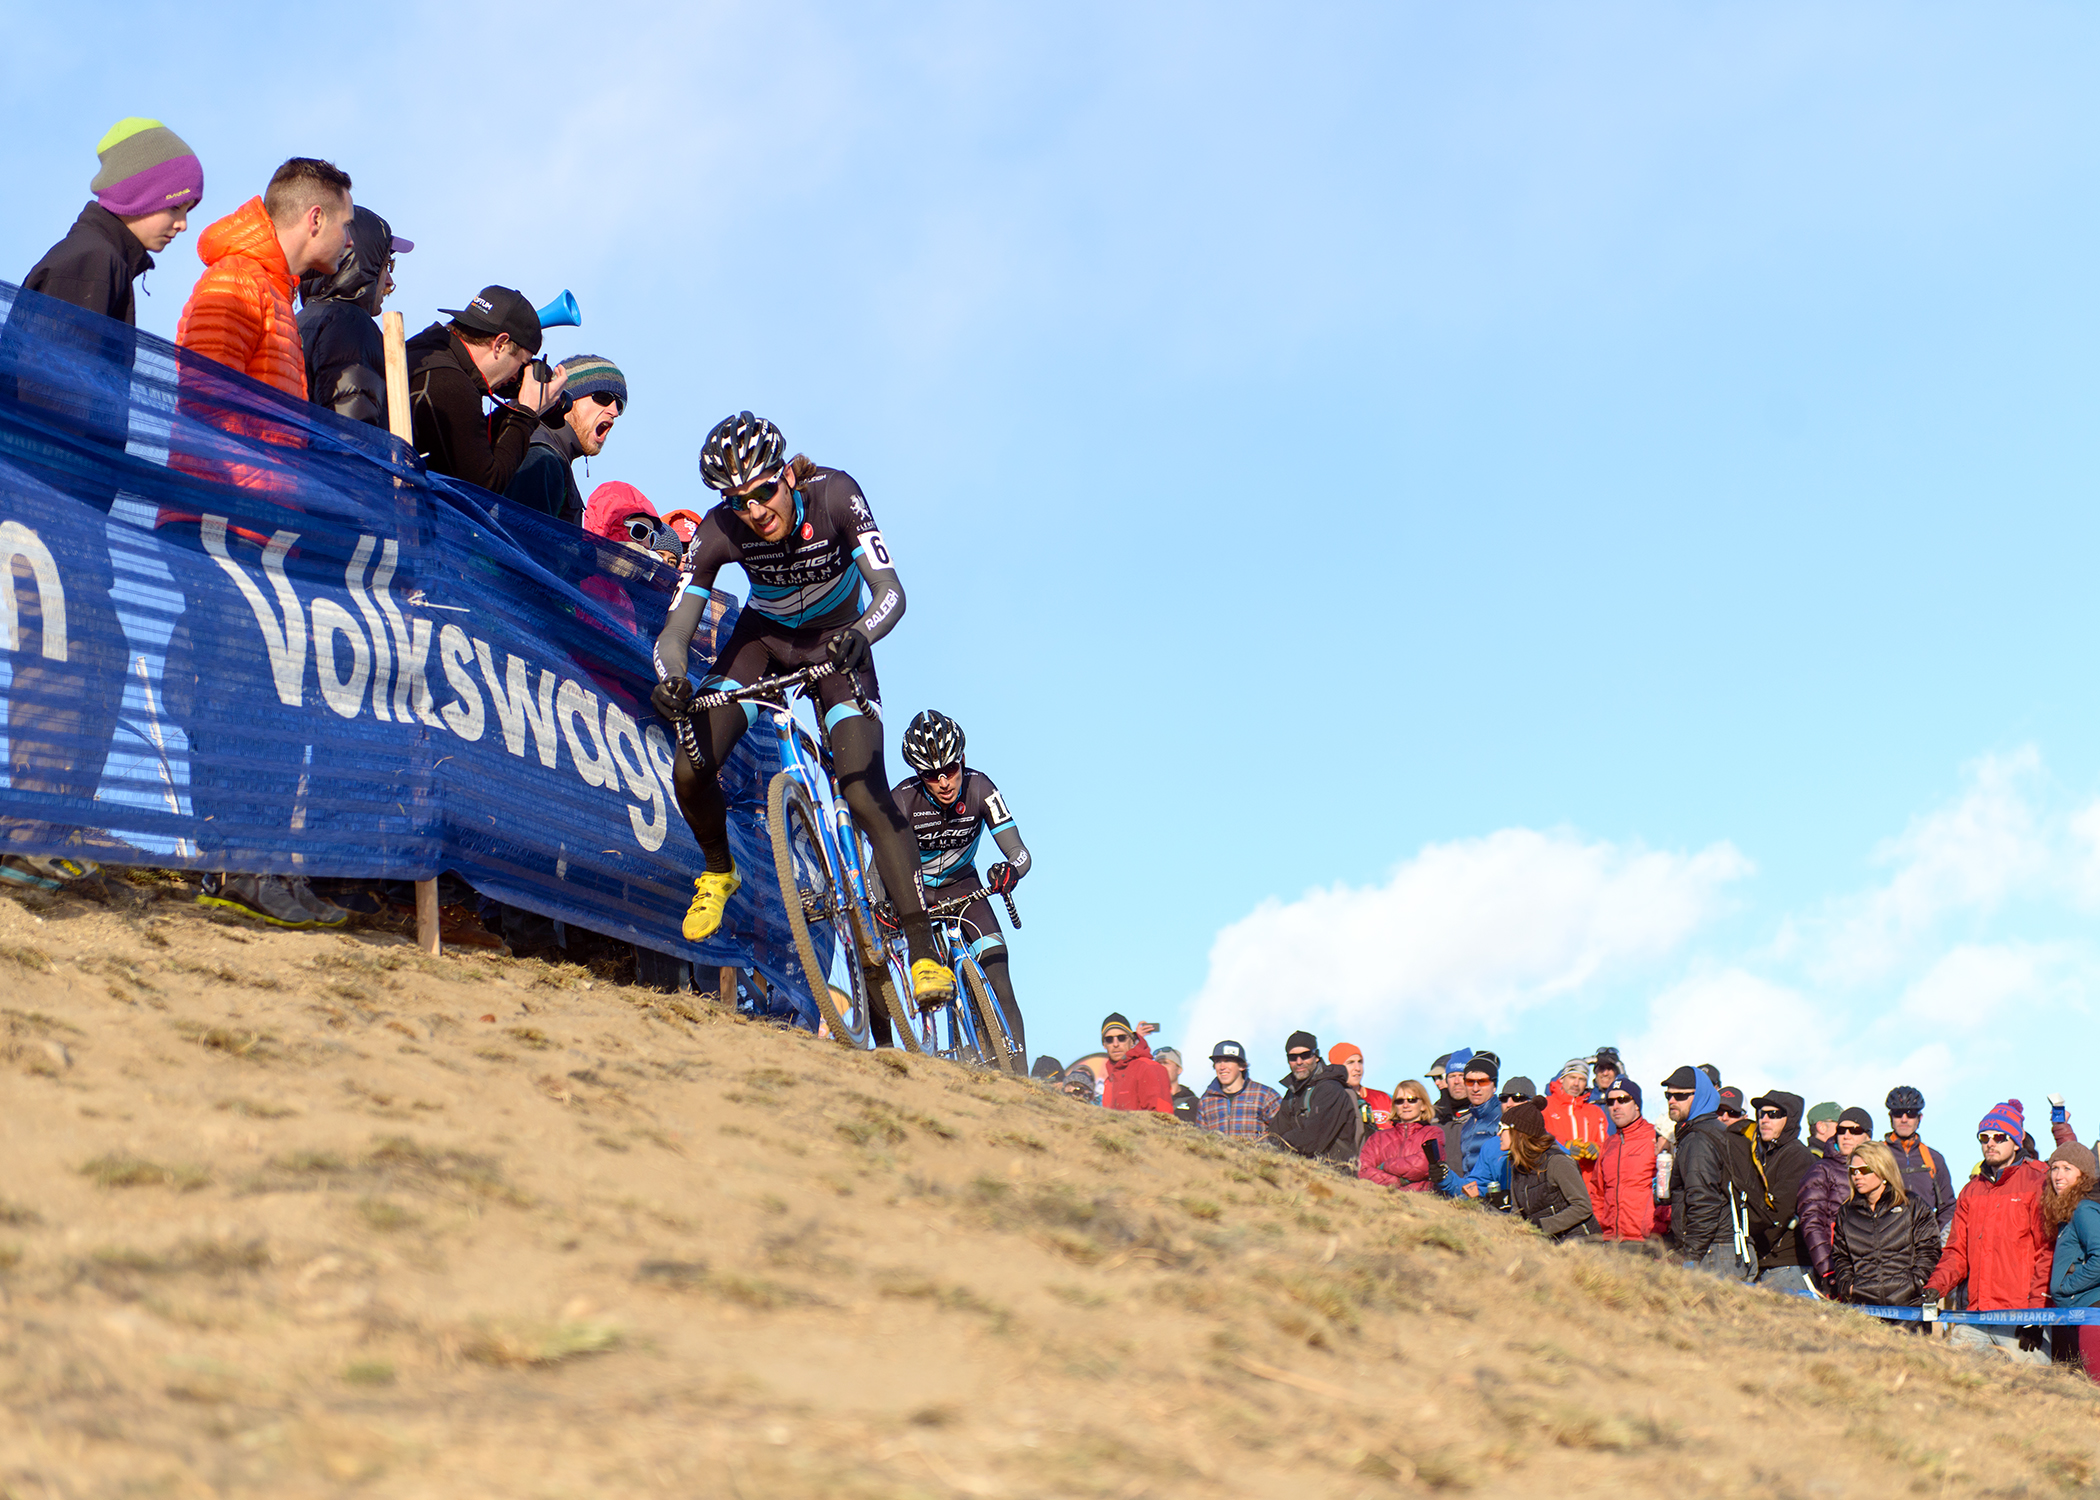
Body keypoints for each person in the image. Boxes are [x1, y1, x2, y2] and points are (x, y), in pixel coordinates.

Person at [651, 413, 952, 1007]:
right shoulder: (719, 531)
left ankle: (922, 948)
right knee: (691, 765)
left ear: (787, 475)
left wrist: (862, 633)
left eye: (764, 491)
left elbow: (892, 591)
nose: (756, 511)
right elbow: (674, 632)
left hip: (840, 642)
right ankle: (718, 869)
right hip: (764, 644)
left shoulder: (837, 494)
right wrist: (672, 677)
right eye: (737, 502)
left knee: (865, 793)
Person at [891, 710, 1030, 1054]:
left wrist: (1009, 870)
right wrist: (882, 901)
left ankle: (1023, 1084)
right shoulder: (903, 799)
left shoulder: (981, 787)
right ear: (918, 774)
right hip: (914, 893)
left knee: (998, 970)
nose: (944, 782)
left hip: (965, 887)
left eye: (951, 770)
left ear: (962, 760)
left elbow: (1020, 853)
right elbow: (879, 865)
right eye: (931, 775)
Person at [178, 157, 353, 398]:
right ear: (316, 219)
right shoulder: (238, 279)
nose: (350, 240)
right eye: (346, 225)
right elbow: (206, 398)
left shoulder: (274, 291)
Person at [25, 117, 202, 324]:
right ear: (136, 196)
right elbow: (60, 355)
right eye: (175, 207)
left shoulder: (103, 259)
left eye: (188, 210)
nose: (183, 225)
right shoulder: (92, 262)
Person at [404, 286, 569, 493]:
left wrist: (517, 409)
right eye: (522, 363)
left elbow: (464, 441)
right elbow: (485, 485)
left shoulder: (429, 349)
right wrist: (526, 413)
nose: (517, 376)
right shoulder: (451, 384)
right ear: (500, 344)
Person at [1925, 1100, 2052, 1365]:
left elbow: (2047, 1253)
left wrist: (2036, 1316)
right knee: (1955, 1380)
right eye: (1984, 1137)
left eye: (1999, 1137)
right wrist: (1935, 1288)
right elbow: (1956, 1251)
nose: (1990, 1143)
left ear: (2017, 1142)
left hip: (2020, 1316)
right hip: (1976, 1315)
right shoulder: (1971, 1190)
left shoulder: (2037, 1181)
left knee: (2032, 1394)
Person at [295, 205, 410, 425]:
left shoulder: (302, 320)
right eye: (386, 265)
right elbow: (354, 430)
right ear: (362, 264)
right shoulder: (350, 322)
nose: (389, 281)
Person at [506, 355, 627, 526]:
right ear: (567, 399)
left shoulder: (550, 457)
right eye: (603, 397)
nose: (614, 411)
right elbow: (519, 542)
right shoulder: (541, 457)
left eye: (620, 404)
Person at [1828, 1141, 1942, 1310]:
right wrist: (1849, 1287)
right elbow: (1840, 1256)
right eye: (1853, 1170)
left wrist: (1915, 1283)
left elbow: (1930, 1250)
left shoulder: (1912, 1205)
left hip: (1909, 1308)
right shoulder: (1847, 1212)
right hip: (1863, 1309)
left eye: (1864, 1170)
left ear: (1882, 1169)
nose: (1857, 1176)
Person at [1661, 1065, 1734, 1276]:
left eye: (1681, 1095)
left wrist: (1690, 1255)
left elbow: (1705, 1201)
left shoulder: (1698, 1139)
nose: (1672, 1101)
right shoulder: (1704, 1131)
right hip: (1715, 1246)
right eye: (1669, 1095)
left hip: (1713, 1251)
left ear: (1700, 1095)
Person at [1744, 1091, 1815, 1293]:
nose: (1764, 1119)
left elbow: (1778, 1213)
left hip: (1787, 1266)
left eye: (1773, 1114)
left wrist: (1749, 1243)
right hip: (1765, 1263)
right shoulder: (1760, 1154)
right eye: (1760, 1113)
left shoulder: (1797, 1155)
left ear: (1790, 1118)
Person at [1502, 1098, 1601, 1241]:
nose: (1498, 1134)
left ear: (1518, 1132)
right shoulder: (1517, 1166)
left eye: (1502, 1128)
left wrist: (1540, 1227)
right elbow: (1517, 1213)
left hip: (1582, 1245)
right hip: (1546, 1246)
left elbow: (1583, 1207)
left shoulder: (1557, 1162)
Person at [2045, 1142, 2100, 1383]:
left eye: (2068, 1168)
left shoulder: (2083, 1209)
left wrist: (2065, 1287)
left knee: (2095, 1385)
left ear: (2083, 1175)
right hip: (2082, 1313)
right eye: (2055, 1168)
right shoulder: (2069, 1211)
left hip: (2093, 1314)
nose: (2058, 1175)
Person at [1266, 1030, 1359, 1164]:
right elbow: (1275, 1134)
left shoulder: (1331, 1088)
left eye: (1305, 1055)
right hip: (1304, 1168)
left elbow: (1312, 1139)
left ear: (1316, 1056)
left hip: (1339, 1172)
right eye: (1292, 1057)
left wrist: (1282, 1143)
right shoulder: (1292, 1093)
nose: (1299, 1062)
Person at [1594, 1079, 1658, 1242]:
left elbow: (1670, 1189)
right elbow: (1597, 1192)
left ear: (1636, 1104)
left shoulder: (1655, 1138)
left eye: (1622, 1100)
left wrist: (1659, 1227)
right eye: (1610, 1101)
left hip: (1645, 1240)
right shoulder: (1608, 1144)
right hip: (1610, 1242)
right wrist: (1598, 1229)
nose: (1615, 1106)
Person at [1440, 1053, 1507, 1200]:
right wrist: (1445, 1176)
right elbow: (1471, 1177)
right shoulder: (1469, 1122)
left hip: (1501, 1204)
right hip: (1475, 1198)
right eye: (1470, 1082)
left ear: (1494, 1085)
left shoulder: (1503, 1117)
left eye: (1482, 1082)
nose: (1475, 1088)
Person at [1359, 1081, 1442, 1191]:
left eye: (1411, 1100)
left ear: (1423, 1105)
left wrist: (1385, 1166)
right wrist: (1396, 1182)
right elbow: (1363, 1171)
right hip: (1383, 1200)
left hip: (1421, 1202)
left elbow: (1423, 1164)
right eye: (1399, 1101)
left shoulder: (1433, 1133)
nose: (1405, 1105)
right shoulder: (1377, 1138)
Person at [1543, 1057, 1607, 1194]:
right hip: (1554, 1184)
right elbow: (1538, 1139)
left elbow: (1607, 1145)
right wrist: (1564, 1147)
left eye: (1582, 1079)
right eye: (1572, 1077)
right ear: (1562, 1078)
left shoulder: (1595, 1112)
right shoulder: (1545, 1106)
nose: (1576, 1083)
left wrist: (1597, 1149)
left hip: (1588, 1186)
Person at [1197, 1040, 1282, 1140]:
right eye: (1218, 1062)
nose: (1222, 1067)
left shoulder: (1265, 1095)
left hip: (1255, 1155)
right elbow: (1200, 1140)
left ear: (1242, 1066)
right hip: (1217, 1155)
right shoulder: (1206, 1101)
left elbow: (1282, 1134)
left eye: (1228, 1061)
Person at [1098, 1015, 1171, 1113]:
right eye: (1109, 1039)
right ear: (1104, 1044)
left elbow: (1163, 1117)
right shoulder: (1110, 1080)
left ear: (1132, 1041)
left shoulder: (1149, 1067)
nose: (1116, 1044)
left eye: (1121, 1038)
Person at [1329, 1043, 1393, 1134]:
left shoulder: (1383, 1098)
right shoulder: (1330, 1100)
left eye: (1360, 1062)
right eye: (1350, 1063)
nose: (1358, 1068)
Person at [1155, 1047, 1200, 1125]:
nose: (1161, 1067)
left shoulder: (1193, 1102)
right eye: (1158, 1064)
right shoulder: (1149, 1100)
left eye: (1166, 1063)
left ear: (1179, 1069)